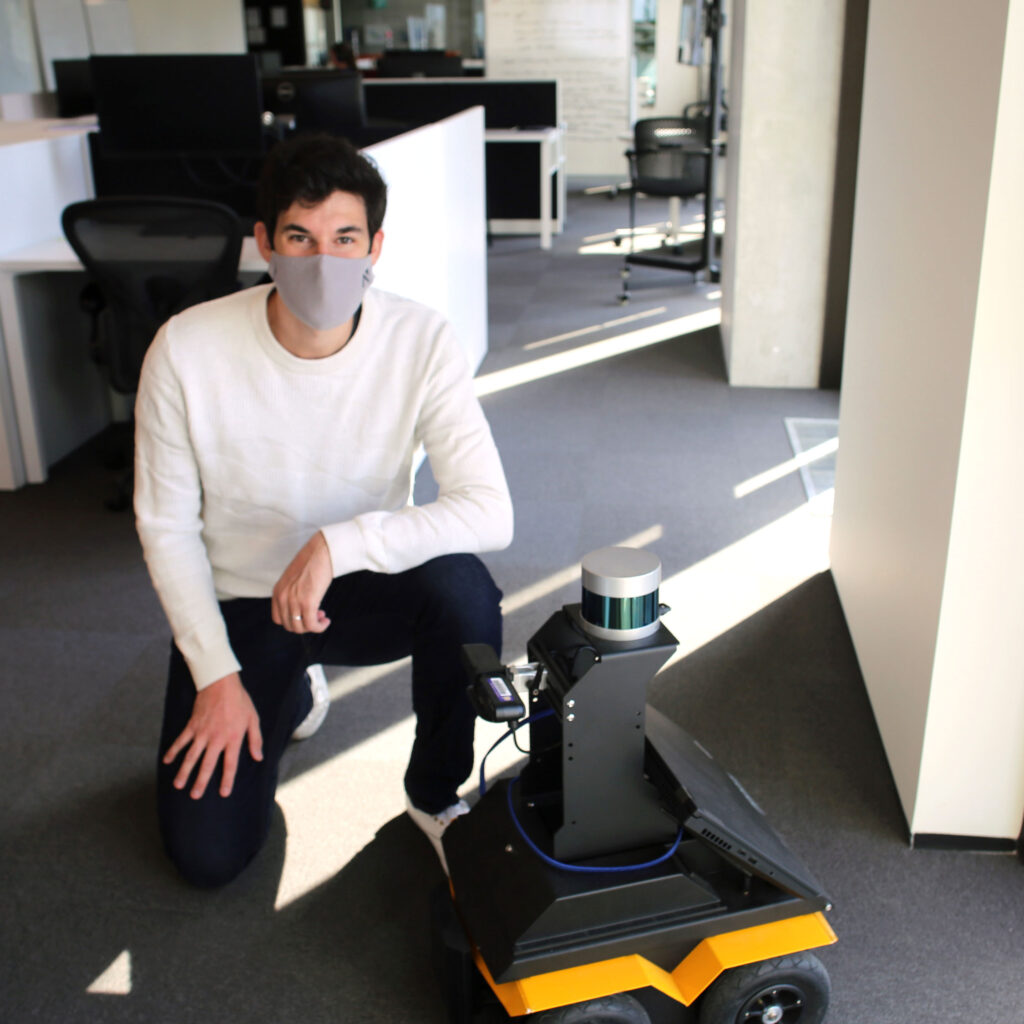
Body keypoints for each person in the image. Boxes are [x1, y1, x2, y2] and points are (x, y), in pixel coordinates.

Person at [134, 132, 513, 887]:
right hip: (245, 605)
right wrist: (215, 675)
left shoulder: (421, 338)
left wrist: (338, 545)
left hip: (361, 589)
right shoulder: (185, 348)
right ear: (263, 242)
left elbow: (489, 512)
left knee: (463, 591)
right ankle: (290, 684)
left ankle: (435, 796)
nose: (322, 261)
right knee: (206, 857)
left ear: (375, 245)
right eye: (299, 238)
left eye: (344, 239)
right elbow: (166, 527)